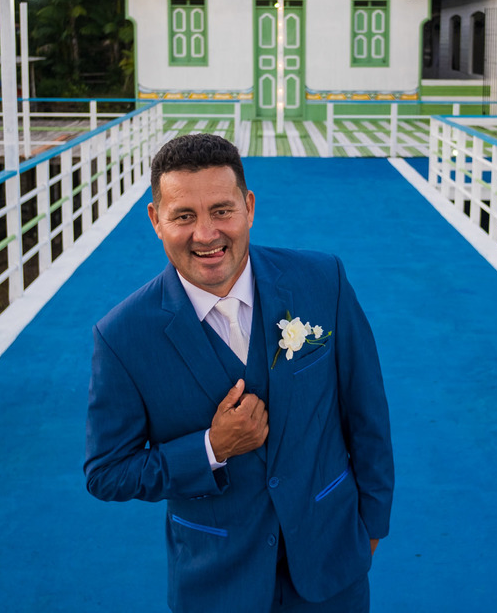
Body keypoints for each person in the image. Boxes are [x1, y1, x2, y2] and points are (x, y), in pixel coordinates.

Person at [84, 133, 394, 613]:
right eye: (183, 215)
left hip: (332, 563)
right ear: (155, 220)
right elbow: (106, 472)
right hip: (216, 583)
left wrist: (372, 524)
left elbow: (367, 411)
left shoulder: (322, 281)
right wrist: (211, 449)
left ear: (248, 206)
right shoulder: (121, 337)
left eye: (222, 210)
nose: (206, 234)